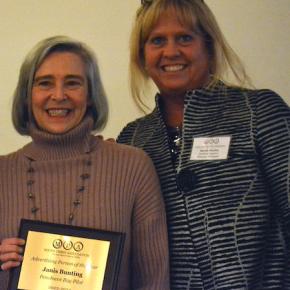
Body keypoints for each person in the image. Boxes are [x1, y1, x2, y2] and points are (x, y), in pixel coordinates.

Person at [117, 0, 290, 289]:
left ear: (208, 46)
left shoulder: (258, 112)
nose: (171, 52)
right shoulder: (133, 139)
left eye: (184, 37)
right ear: (142, 56)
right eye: (157, 40)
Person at [0, 35, 170, 290]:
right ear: (26, 96)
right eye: (45, 83)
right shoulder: (3, 174)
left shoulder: (132, 167)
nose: (58, 95)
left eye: (73, 83)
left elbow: (154, 279)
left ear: (91, 95)